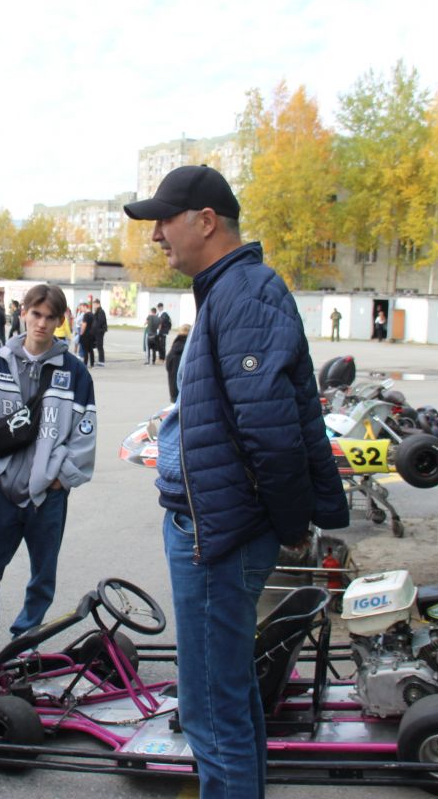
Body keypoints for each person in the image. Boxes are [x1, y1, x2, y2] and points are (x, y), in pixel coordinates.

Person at [124, 165, 347, 798]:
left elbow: (272, 432)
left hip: (219, 536)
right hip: (218, 529)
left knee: (210, 713)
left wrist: (285, 524)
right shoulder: (229, 289)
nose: (158, 236)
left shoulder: (242, 293)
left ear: (205, 221)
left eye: (165, 221)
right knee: (227, 696)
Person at [0, 284, 97, 670]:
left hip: (48, 494)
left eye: (51, 317)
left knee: (42, 574)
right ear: (23, 314)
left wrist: (60, 479)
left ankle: (25, 639)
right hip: (3, 489)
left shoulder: (75, 371)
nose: (42, 323)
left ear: (61, 321)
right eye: (36, 314)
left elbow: (85, 431)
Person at [164, 324, 191, 403]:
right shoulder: (189, 349)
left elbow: (168, 366)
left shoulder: (173, 349)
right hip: (186, 392)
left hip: (173, 390)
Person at [78, 302, 95, 368]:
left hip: (85, 334)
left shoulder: (86, 315)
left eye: (81, 307)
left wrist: (81, 333)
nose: (81, 309)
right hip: (91, 334)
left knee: (85, 349)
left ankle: (85, 363)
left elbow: (84, 325)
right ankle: (92, 363)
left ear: (85, 307)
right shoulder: (92, 314)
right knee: (90, 350)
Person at [91, 298, 108, 367]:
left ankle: (102, 361)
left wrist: (97, 329)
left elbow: (100, 322)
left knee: (100, 346)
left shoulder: (101, 311)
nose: (94, 306)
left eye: (94, 304)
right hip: (97, 331)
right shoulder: (97, 311)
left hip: (100, 331)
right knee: (98, 346)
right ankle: (100, 361)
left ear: (98, 304)